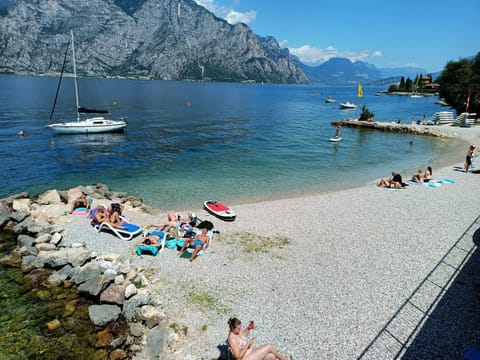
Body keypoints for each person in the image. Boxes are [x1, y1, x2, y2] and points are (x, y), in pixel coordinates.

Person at [227, 317, 292, 360]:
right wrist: (247, 345)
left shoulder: (236, 332)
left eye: (240, 327)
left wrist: (248, 328)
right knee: (269, 346)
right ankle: (284, 359)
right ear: (233, 328)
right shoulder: (232, 339)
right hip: (245, 358)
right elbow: (238, 358)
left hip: (250, 353)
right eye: (238, 329)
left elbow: (242, 336)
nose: (240, 329)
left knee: (272, 356)